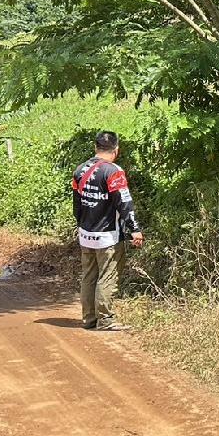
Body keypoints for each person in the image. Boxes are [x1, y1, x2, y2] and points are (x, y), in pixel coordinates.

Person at [72, 130, 144, 331]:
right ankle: (105, 320)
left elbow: (76, 206)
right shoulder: (113, 171)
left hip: (86, 234)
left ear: (95, 147)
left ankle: (89, 319)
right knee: (107, 276)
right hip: (108, 236)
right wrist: (134, 229)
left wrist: (82, 226)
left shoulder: (80, 170)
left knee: (89, 276)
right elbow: (124, 203)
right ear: (116, 149)